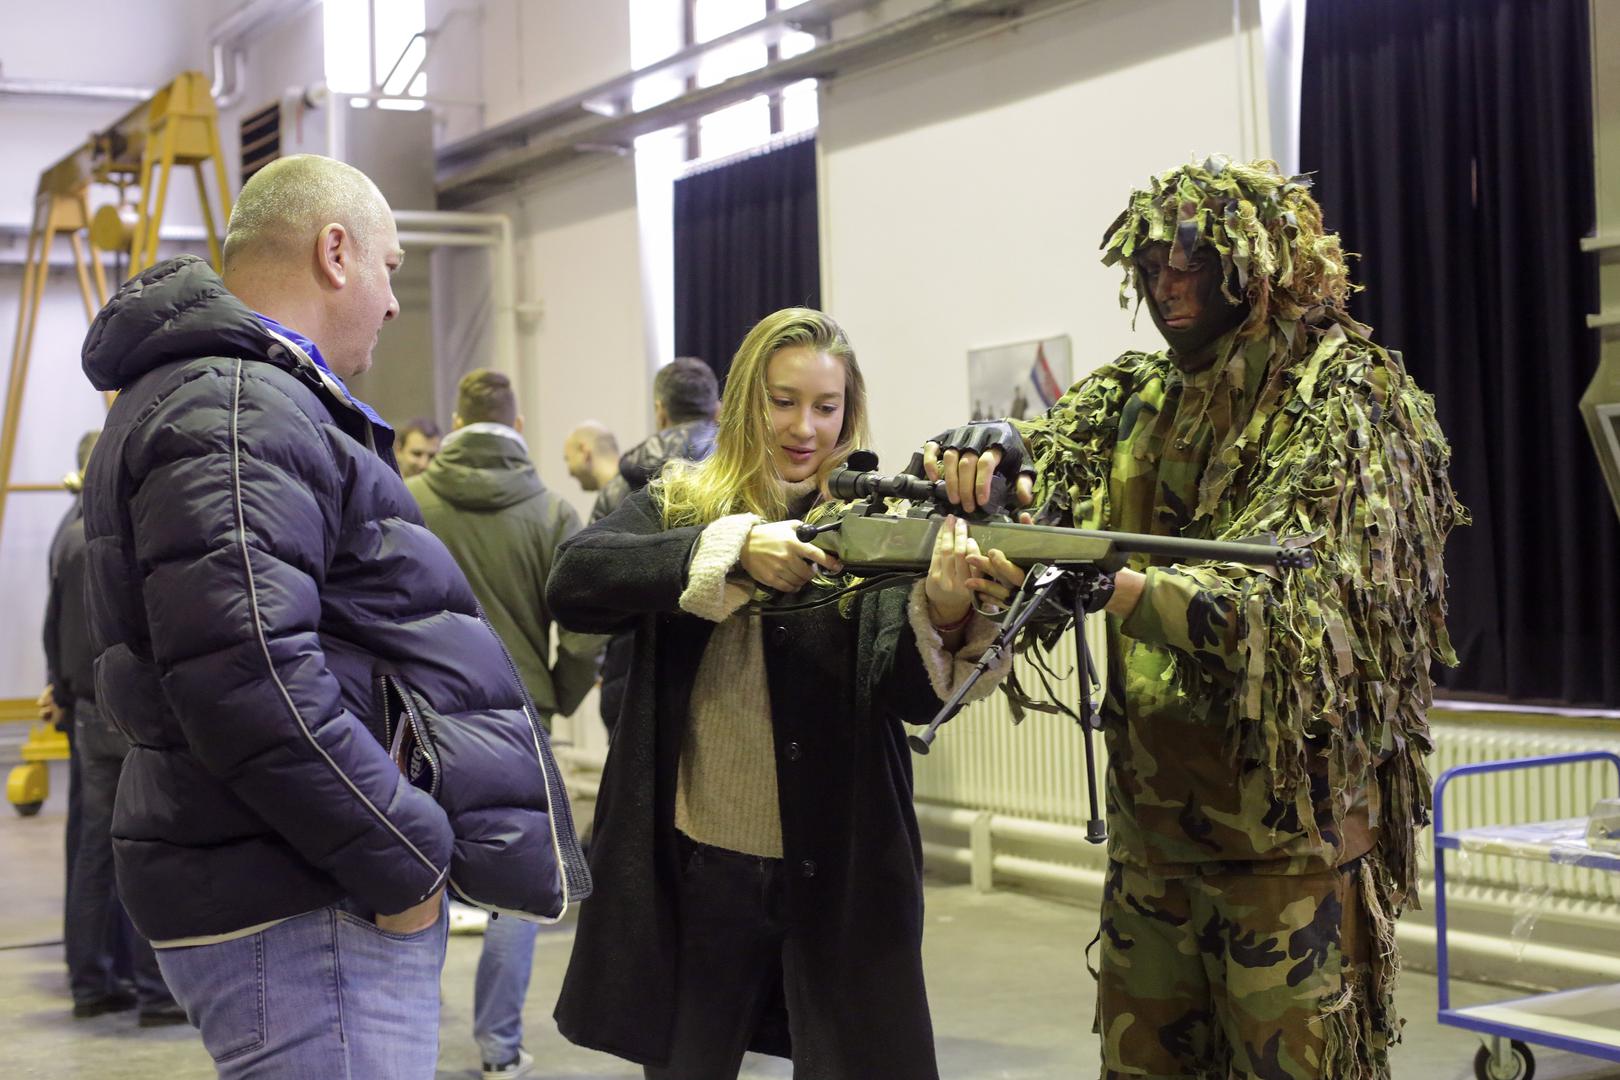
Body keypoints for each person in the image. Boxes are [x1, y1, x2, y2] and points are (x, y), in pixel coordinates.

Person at [924, 157, 1464, 1079]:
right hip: (1154, 846)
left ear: (1257, 266)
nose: (1166, 282)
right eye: (1150, 263)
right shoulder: (1133, 397)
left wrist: (1119, 584)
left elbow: (1305, 619)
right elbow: (1032, 501)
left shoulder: (1344, 403)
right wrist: (981, 467)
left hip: (1289, 852)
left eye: (1193, 261)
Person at [78, 153, 587, 1079]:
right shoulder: (239, 407)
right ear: (337, 252)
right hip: (309, 902)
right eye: (390, 268)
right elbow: (249, 677)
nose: (394, 302)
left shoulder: (233, 401)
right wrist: (408, 859)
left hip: (293, 881)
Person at [547, 307, 1023, 1079]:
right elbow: (575, 581)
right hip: (699, 869)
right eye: (783, 401)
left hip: (836, 873)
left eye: (826, 406)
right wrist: (726, 548)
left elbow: (906, 692)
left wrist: (945, 611)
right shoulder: (683, 501)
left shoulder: (872, 524)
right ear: (745, 401)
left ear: (848, 411)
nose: (805, 427)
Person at [406, 367, 605, 1080]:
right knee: (515, 885)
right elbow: (587, 632)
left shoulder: (410, 501)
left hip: (419, 720)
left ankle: (407, 1047)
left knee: (414, 876)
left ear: (455, 426)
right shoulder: (554, 514)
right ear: (519, 429)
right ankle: (498, 1050)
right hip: (521, 715)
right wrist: (554, 691)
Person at [41, 430, 183, 1025]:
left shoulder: (67, 538)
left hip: (85, 708)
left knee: (94, 850)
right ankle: (156, 989)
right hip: (126, 709)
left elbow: (53, 630)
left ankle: (93, 980)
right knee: (149, 845)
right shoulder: (120, 541)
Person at [593, 356, 720, 735]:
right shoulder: (744, 478)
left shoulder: (618, 485)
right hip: (717, 663)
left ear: (660, 411)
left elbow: (591, 576)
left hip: (631, 666)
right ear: (717, 410)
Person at [562, 420, 621, 521]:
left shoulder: (615, 501)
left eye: (568, 459)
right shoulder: (637, 490)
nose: (569, 473)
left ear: (584, 452)